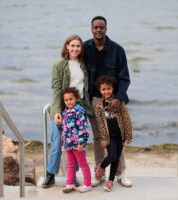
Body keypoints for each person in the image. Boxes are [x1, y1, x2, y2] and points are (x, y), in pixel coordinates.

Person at [84, 16, 132, 187]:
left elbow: (125, 78)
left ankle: (121, 172)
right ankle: (99, 172)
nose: (98, 30)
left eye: (101, 27)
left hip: (114, 101)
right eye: (95, 27)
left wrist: (118, 98)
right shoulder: (85, 48)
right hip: (94, 99)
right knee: (98, 137)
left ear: (106, 29)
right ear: (91, 29)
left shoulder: (117, 50)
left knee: (116, 137)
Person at [42, 34, 93, 188]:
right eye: (72, 46)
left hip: (79, 109)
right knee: (58, 142)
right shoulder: (59, 64)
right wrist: (57, 111)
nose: (75, 48)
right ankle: (50, 174)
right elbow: (56, 88)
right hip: (63, 109)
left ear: (81, 48)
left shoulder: (84, 64)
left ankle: (74, 176)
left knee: (76, 143)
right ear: (67, 47)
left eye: (78, 46)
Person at [94, 75, 132, 191]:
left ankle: (110, 181)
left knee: (116, 158)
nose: (106, 91)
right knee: (112, 156)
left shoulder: (118, 103)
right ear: (100, 90)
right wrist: (103, 138)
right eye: (104, 89)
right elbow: (100, 124)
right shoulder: (99, 106)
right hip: (109, 137)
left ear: (113, 89)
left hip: (120, 136)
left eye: (109, 89)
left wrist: (129, 135)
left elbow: (126, 119)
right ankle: (101, 167)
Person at [60, 87, 92, 193]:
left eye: (71, 99)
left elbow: (83, 128)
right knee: (70, 164)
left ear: (77, 98)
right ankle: (69, 184)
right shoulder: (65, 112)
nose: (69, 102)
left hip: (78, 144)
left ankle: (87, 184)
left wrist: (81, 142)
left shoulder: (79, 111)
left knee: (82, 163)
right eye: (66, 100)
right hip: (68, 143)